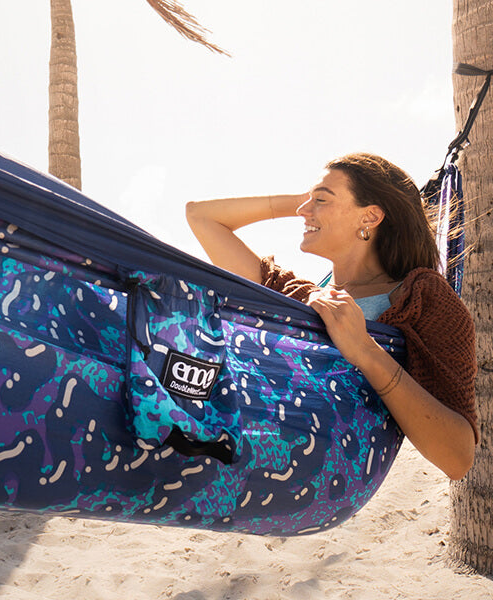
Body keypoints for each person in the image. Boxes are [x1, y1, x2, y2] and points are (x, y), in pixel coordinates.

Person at [185, 152, 477, 480]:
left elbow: (458, 458)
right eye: (307, 201)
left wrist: (366, 351)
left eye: (321, 200)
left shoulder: (422, 298)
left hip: (327, 485)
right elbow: (200, 216)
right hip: (256, 467)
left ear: (370, 217)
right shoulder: (301, 298)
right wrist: (303, 201)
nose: (302, 211)